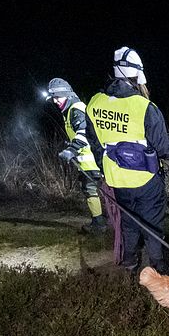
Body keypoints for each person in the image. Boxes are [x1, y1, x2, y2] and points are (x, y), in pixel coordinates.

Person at [85, 47, 169, 275]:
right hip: (146, 181)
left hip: (117, 181)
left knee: (128, 223)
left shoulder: (94, 103)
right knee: (152, 225)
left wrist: (106, 171)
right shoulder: (146, 107)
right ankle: (159, 269)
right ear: (137, 76)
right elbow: (167, 150)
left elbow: (95, 144)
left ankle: (130, 264)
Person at [46, 78, 108, 233]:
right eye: (53, 98)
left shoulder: (76, 109)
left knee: (92, 190)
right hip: (89, 162)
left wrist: (72, 150)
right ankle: (103, 221)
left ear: (66, 94)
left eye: (57, 97)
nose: (55, 101)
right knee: (95, 190)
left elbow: (84, 133)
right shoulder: (70, 110)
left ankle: (100, 224)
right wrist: (71, 145)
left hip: (93, 161)